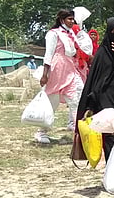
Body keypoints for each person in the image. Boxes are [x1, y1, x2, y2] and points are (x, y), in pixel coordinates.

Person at [77, 18, 114, 161]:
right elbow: (94, 82)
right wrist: (91, 105)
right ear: (109, 33)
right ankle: (113, 174)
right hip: (106, 101)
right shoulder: (102, 54)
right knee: (110, 137)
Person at [36, 9, 93, 144]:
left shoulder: (71, 33)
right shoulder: (53, 34)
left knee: (77, 99)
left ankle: (79, 132)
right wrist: (45, 74)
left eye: (73, 19)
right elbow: (48, 54)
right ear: (62, 20)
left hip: (71, 69)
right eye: (69, 19)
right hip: (57, 70)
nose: (72, 21)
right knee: (52, 103)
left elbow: (76, 50)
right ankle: (41, 132)